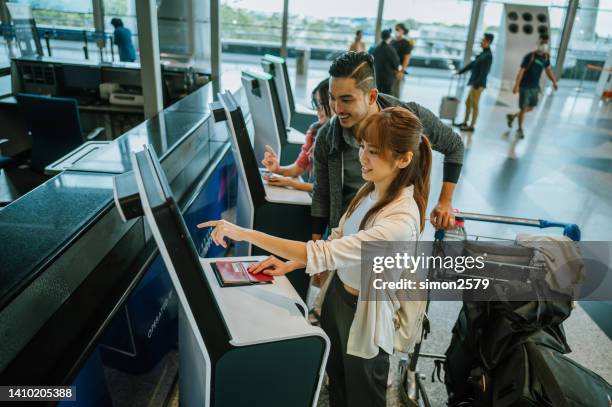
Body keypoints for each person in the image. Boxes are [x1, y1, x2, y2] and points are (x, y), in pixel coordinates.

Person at [198, 107, 430, 407]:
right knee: (338, 383)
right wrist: (291, 263)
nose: (363, 157)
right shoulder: (371, 189)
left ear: (403, 159)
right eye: (362, 147)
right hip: (337, 298)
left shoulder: (399, 220)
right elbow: (339, 238)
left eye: (373, 151)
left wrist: (243, 233)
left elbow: (327, 251)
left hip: (365, 315)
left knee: (363, 396)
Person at [311, 51, 464, 242]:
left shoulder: (409, 118)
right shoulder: (328, 136)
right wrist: (315, 248)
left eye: (347, 100)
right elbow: (322, 192)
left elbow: (454, 145)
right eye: (332, 98)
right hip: (342, 236)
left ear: (372, 96)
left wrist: (445, 201)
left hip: (386, 237)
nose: (337, 108)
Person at [260, 78, 332, 192]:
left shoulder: (342, 138)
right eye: (316, 104)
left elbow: (327, 189)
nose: (317, 109)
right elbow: (298, 168)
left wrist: (291, 183)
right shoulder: (314, 131)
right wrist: (277, 169)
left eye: (322, 104)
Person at [506, 34, 558, 139]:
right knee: (524, 107)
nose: (544, 45)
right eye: (542, 42)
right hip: (524, 86)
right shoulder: (530, 56)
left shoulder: (546, 57)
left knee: (531, 107)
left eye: (546, 43)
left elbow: (548, 71)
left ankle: (513, 116)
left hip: (535, 87)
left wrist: (554, 81)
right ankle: (520, 129)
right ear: (537, 43)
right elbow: (521, 72)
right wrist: (516, 85)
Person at [454, 33, 494, 132]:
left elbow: (485, 72)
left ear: (488, 42)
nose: (481, 42)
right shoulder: (483, 54)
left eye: (483, 41)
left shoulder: (488, 56)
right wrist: (460, 71)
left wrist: (477, 84)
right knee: (468, 102)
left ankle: (472, 126)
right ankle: (465, 122)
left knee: (474, 105)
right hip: (474, 83)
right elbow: (472, 64)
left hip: (478, 84)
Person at [369, 29, 400, 95]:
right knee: (386, 96)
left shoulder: (375, 48)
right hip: (388, 78)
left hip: (377, 76)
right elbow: (396, 64)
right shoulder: (391, 50)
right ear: (389, 37)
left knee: (378, 95)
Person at [390, 23, 414, 98]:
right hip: (389, 71)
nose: (396, 31)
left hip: (398, 71)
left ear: (403, 31)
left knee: (396, 94)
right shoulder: (392, 42)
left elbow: (407, 58)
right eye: (395, 29)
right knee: (388, 93)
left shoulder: (406, 43)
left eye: (398, 29)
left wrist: (401, 71)